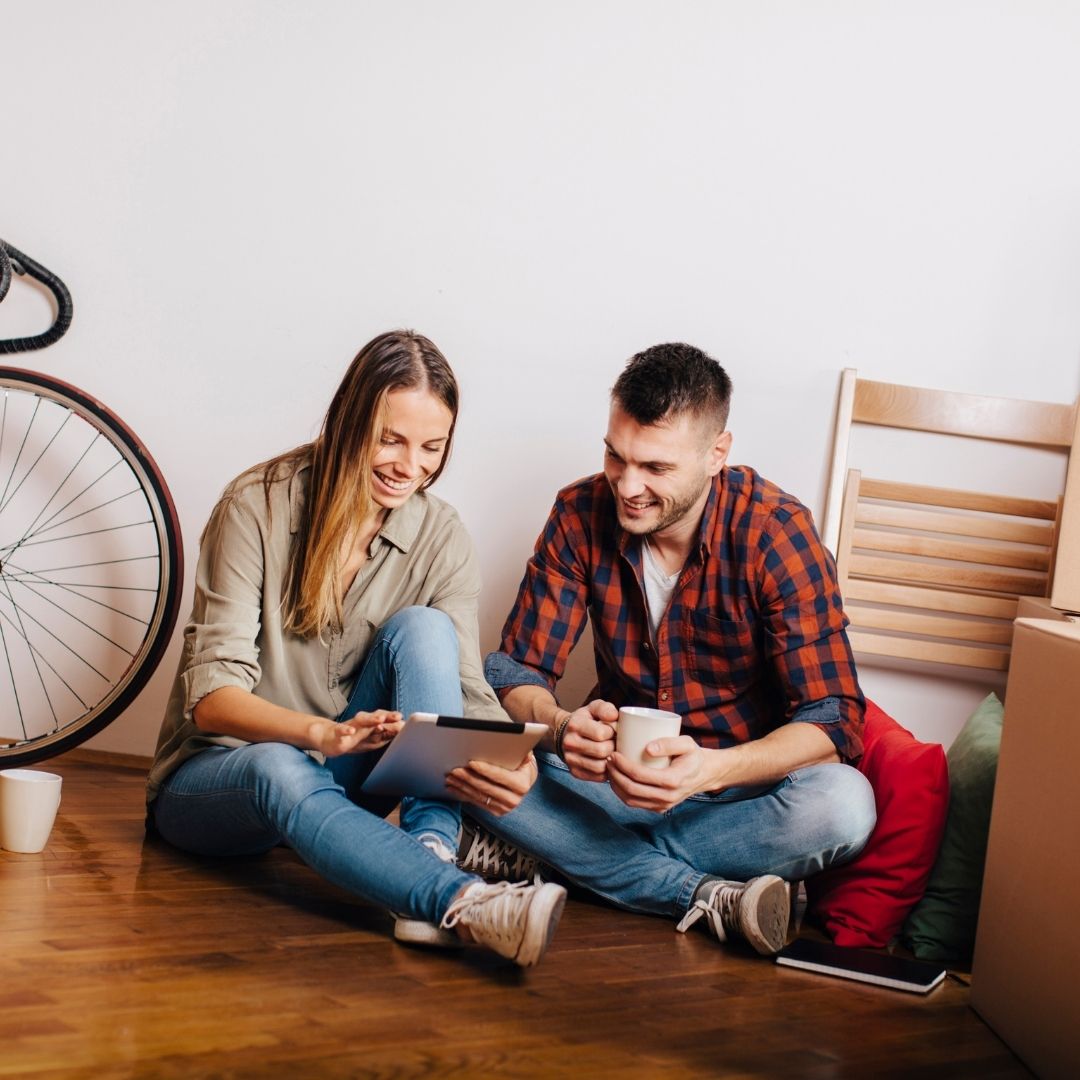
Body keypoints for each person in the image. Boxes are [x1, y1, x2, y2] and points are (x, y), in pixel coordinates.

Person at [146, 330, 565, 968]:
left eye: (432, 447)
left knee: (426, 628)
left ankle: (428, 849)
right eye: (390, 439)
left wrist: (514, 760)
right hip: (218, 783)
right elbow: (210, 700)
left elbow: (463, 687)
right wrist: (319, 734)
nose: (410, 466)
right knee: (276, 766)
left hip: (341, 778)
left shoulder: (441, 533)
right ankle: (464, 903)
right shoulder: (254, 505)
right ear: (349, 422)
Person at [468, 342, 877, 956]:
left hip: (737, 797)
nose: (627, 485)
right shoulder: (580, 512)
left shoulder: (775, 532)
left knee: (844, 805)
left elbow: (833, 717)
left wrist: (707, 772)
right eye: (615, 456)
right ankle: (703, 891)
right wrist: (558, 728)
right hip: (606, 785)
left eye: (656, 468)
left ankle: (564, 857)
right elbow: (515, 669)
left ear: (717, 454)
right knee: (469, 749)